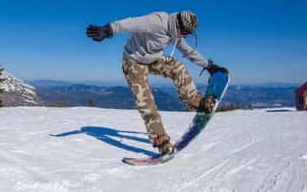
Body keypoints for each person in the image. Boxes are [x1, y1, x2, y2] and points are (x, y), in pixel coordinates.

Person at [86, 11, 226, 156]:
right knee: (146, 102)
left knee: (178, 68)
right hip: (133, 62)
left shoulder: (175, 34)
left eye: (189, 33)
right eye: (185, 32)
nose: (185, 35)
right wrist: (108, 29)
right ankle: (161, 140)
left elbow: (188, 51)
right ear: (178, 24)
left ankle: (195, 101)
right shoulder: (157, 21)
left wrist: (208, 66)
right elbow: (130, 23)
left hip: (154, 59)